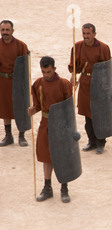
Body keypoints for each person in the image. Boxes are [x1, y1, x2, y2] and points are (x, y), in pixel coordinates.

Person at [28, 56, 73, 203]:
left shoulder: (64, 84)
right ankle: (47, 187)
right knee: (46, 155)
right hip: (46, 122)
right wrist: (33, 110)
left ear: (54, 69)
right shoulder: (38, 84)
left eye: (48, 71)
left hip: (60, 124)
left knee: (62, 156)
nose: (46, 75)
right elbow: (38, 105)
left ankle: (64, 187)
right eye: (43, 72)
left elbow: (69, 108)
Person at [68, 23, 111, 154]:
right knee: (88, 114)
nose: (86, 36)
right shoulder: (77, 47)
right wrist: (74, 75)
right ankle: (91, 141)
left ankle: (100, 142)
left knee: (98, 113)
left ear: (94, 34)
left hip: (98, 83)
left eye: (88, 34)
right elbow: (74, 66)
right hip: (85, 82)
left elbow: (106, 69)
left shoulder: (103, 48)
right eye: (84, 34)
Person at [0, 20, 30, 147]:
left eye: (7, 30)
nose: (5, 32)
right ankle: (8, 136)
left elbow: (25, 65)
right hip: (2, 81)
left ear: (12, 31)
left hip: (17, 82)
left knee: (20, 107)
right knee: (5, 108)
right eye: (3, 30)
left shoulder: (20, 45)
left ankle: (21, 136)